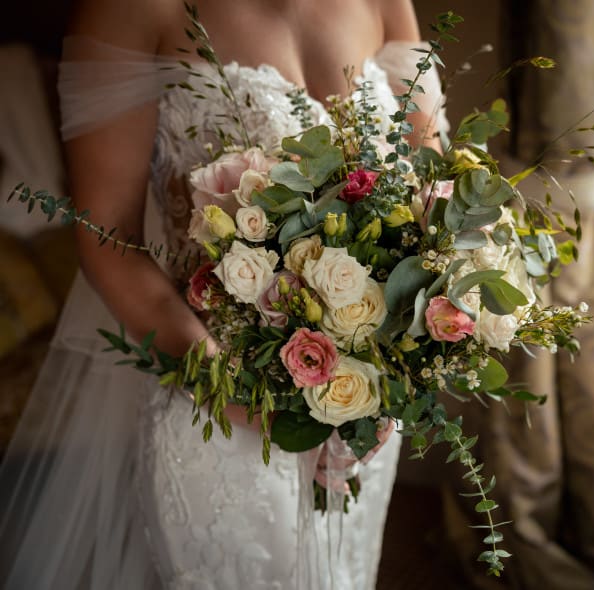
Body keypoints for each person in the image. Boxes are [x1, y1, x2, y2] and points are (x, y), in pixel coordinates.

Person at [0, 0, 444, 588]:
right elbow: (107, 240)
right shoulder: (133, 10)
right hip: (220, 408)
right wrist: (240, 395)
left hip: (362, 403)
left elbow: (433, 197)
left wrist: (398, 366)